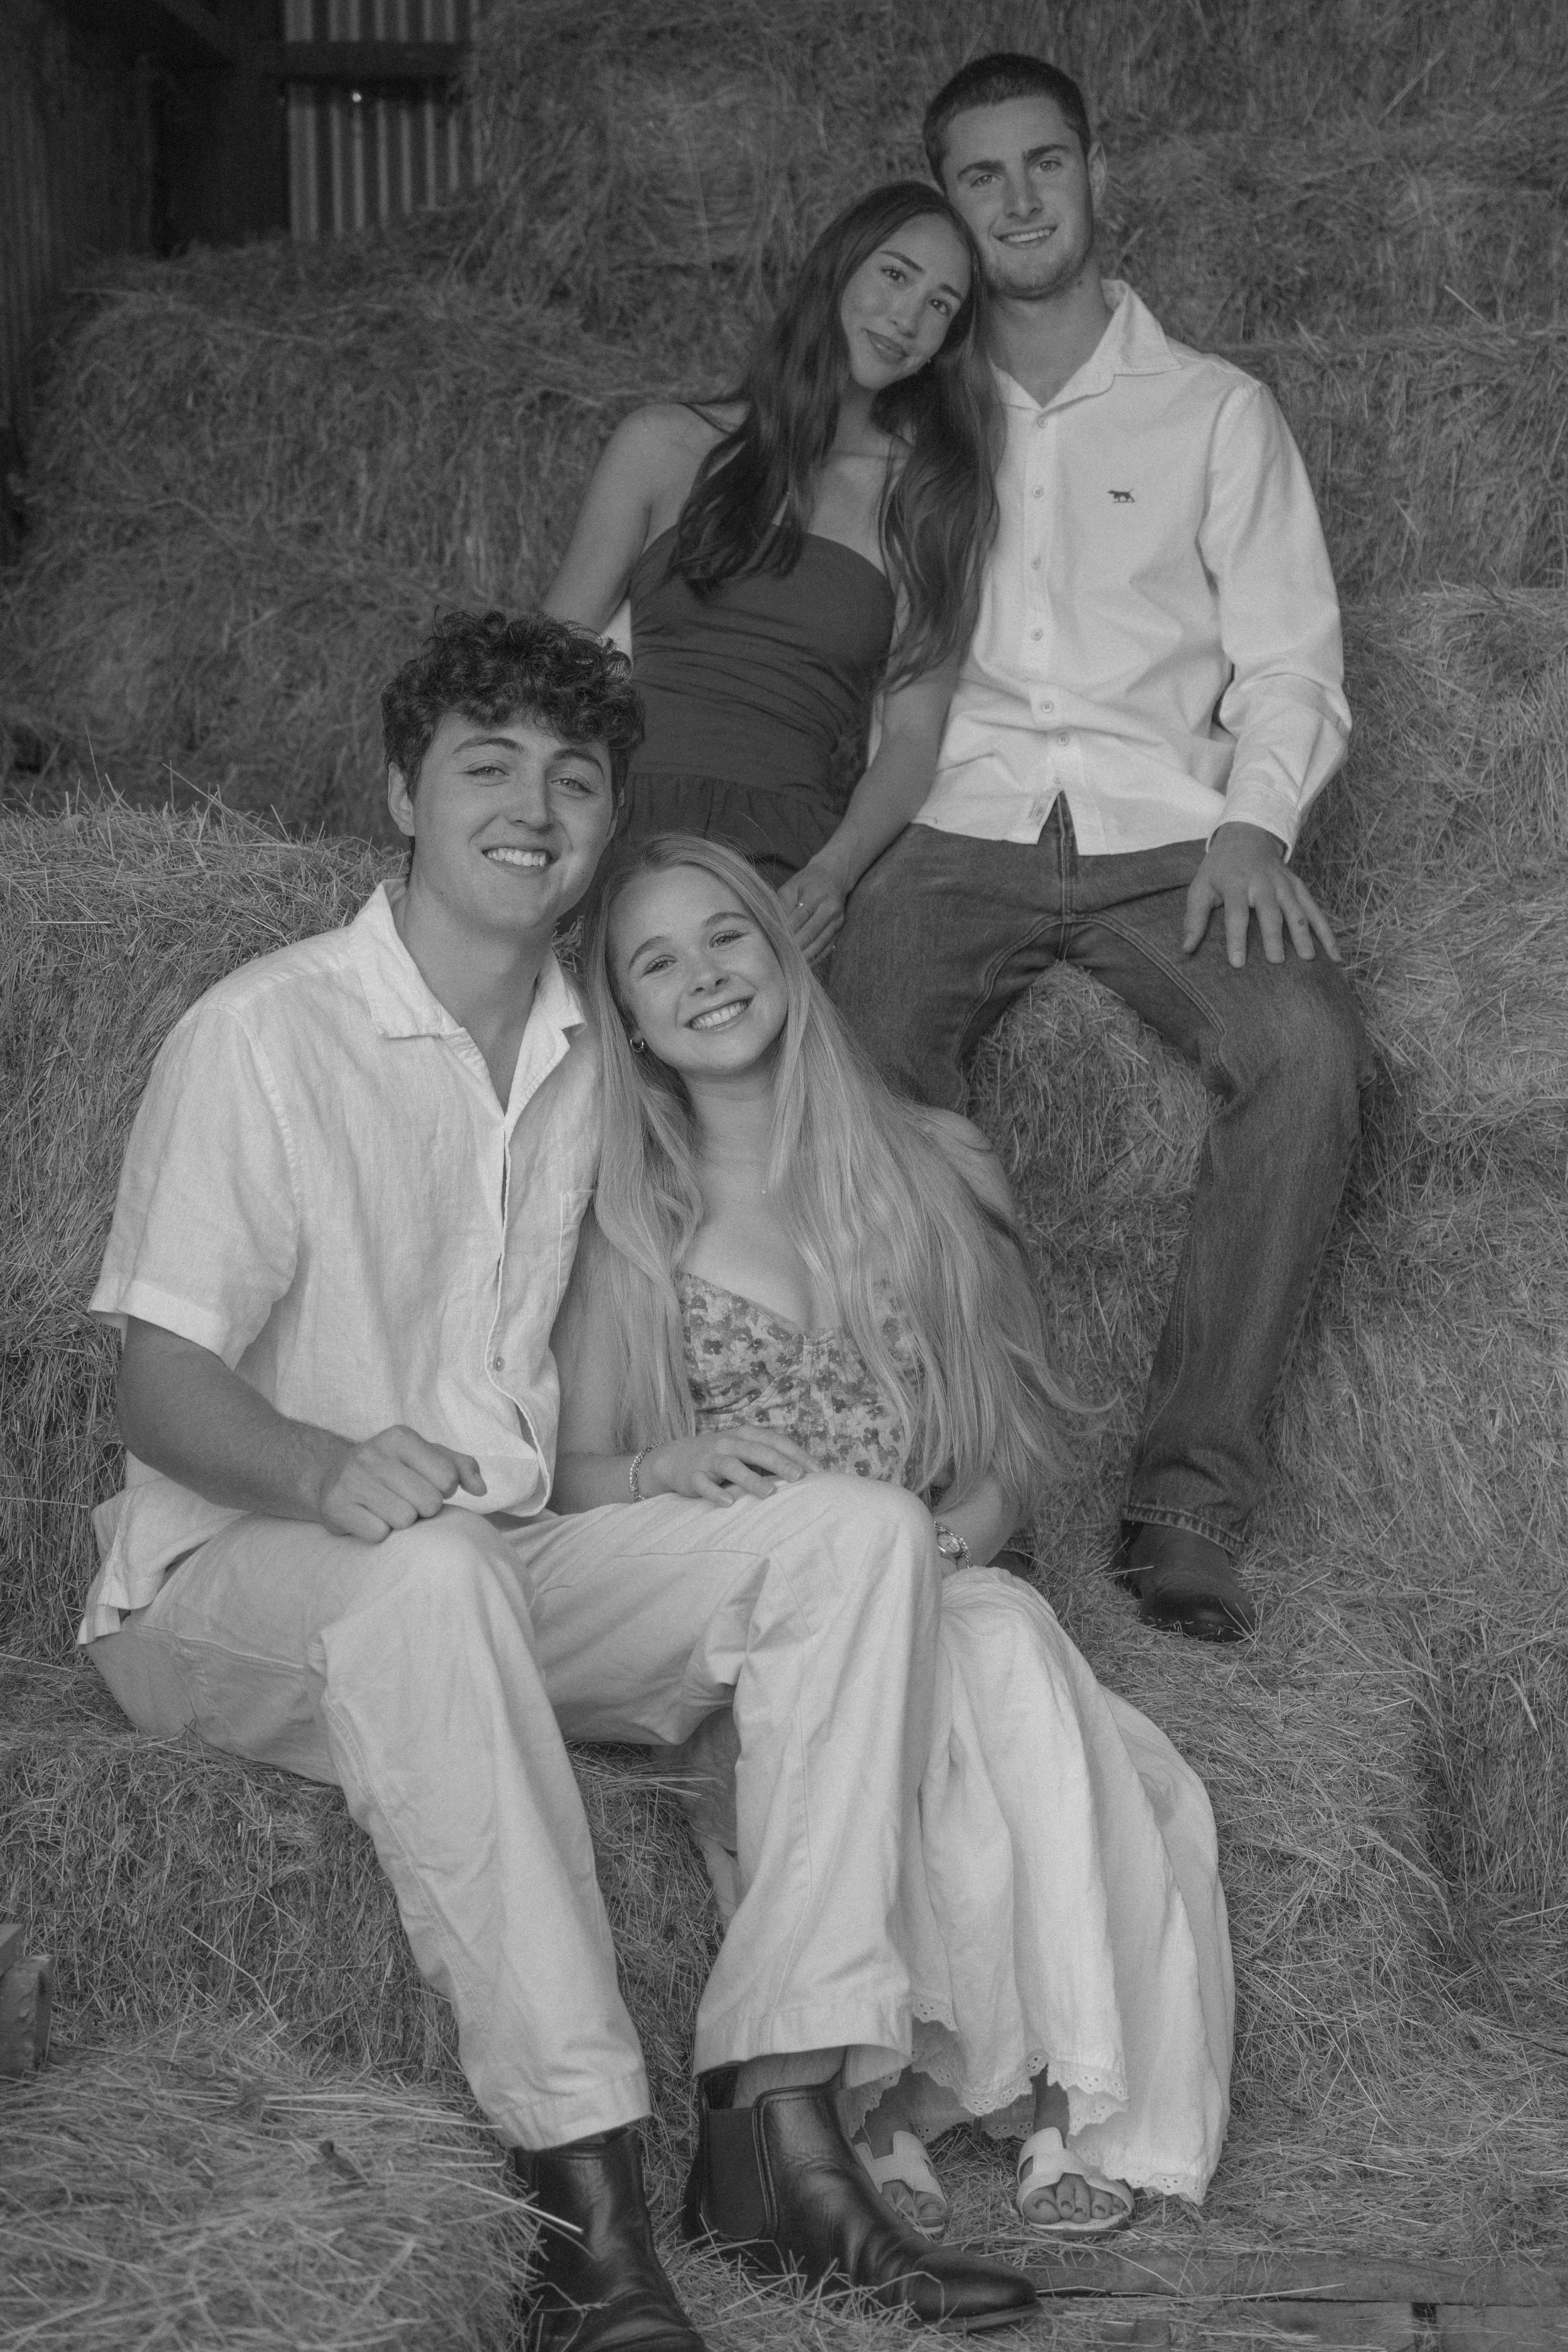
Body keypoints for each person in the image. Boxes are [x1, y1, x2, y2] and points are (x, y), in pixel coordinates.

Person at [77, 612, 1035, 2352]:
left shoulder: (603, 1058)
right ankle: (576, 2192)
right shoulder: (267, 1032)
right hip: (234, 1583)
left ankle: (775, 2123)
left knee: (854, 1534)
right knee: (435, 1567)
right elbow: (147, 1379)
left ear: (607, 817)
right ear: (403, 792)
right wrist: (316, 1456)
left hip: (504, 1563)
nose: (535, 804)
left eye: (574, 775)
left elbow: (793, 1135)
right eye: (489, 765)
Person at [554, 832, 1234, 2247]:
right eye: (655, 962)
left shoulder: (930, 1164)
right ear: (625, 1017)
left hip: (934, 1569)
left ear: (782, 949)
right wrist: (669, 1462)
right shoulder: (629, 1223)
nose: (703, 976)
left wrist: (974, 1527)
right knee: (914, 1684)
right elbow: (566, 1482)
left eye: (725, 936)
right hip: (764, 1611)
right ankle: (874, 2102)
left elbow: (1013, 1435)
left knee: (1000, 1652)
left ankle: (1070, 2100)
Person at [828, 55, 1370, 1645]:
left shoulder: (1216, 408)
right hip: (956, 826)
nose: (1015, 201)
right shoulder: (909, 420)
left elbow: (1291, 657)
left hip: (1168, 836)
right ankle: (926, 1476)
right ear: (947, 194)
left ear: (1095, 173)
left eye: (1041, 166)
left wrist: (1259, 821)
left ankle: (1187, 1499)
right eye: (979, 177)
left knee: (1313, 1056)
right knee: (841, 1072)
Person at [543, 179, 996, 961]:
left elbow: (913, 737)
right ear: (840, 267)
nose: (907, 318)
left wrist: (836, 872)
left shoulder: (922, 500)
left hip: (786, 854)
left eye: (941, 305)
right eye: (895, 275)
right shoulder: (661, 444)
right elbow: (549, 658)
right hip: (623, 819)